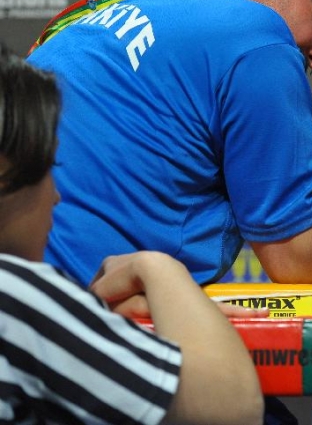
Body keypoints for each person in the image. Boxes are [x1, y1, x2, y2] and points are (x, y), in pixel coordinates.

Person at [27, 0, 312, 287]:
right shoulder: (255, 33)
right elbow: (295, 249)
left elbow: (272, 183)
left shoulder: (99, 16)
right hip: (71, 314)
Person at [0, 43, 264, 424]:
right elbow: (231, 409)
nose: (55, 195)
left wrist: (90, 324)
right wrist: (158, 269)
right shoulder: (15, 298)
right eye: (48, 166)